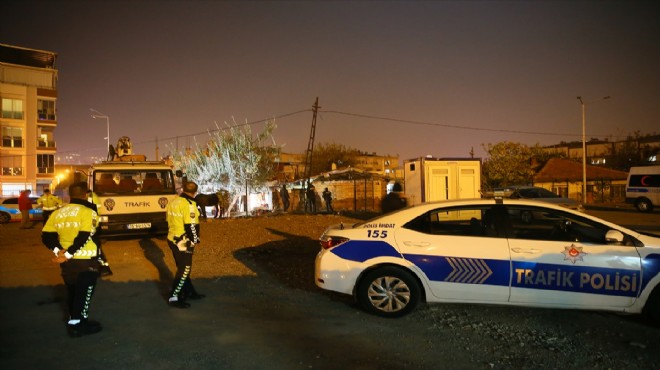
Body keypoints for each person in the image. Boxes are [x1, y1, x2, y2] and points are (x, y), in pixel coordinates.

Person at [41, 182, 103, 337]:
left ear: (69, 195)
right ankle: (79, 325)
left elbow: (46, 235)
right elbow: (85, 235)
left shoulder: (58, 212)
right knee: (84, 294)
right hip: (85, 259)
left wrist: (58, 252)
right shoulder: (88, 211)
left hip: (67, 263)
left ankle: (73, 321)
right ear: (85, 195)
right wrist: (68, 254)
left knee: (73, 292)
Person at [166, 180, 203, 308]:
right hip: (183, 242)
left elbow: (168, 220)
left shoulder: (174, 202)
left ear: (182, 189)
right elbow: (191, 226)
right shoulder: (189, 205)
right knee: (185, 269)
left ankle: (189, 291)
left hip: (172, 238)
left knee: (183, 268)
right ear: (195, 192)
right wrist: (194, 241)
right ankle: (174, 297)